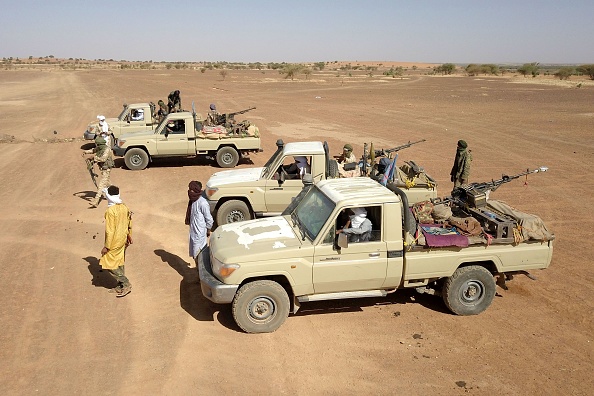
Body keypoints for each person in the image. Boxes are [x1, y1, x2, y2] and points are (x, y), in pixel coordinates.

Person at [100, 185, 133, 297]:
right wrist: (129, 237)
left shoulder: (110, 211)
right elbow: (130, 223)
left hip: (114, 241)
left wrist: (106, 246)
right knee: (119, 261)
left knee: (108, 263)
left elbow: (110, 231)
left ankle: (125, 283)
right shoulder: (124, 207)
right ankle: (120, 286)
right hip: (123, 239)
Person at [186, 181, 213, 268]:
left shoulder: (202, 203)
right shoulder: (193, 201)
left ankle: (200, 275)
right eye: (190, 190)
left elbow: (209, 219)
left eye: (193, 190)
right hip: (193, 232)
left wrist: (208, 230)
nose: (190, 192)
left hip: (200, 234)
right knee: (195, 254)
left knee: (199, 255)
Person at [82, 135, 115, 208]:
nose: (96, 146)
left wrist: (94, 157)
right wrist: (86, 152)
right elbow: (94, 150)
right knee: (108, 183)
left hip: (107, 169)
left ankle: (96, 201)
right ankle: (115, 192)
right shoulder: (100, 148)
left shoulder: (106, 150)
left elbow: (103, 159)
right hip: (103, 169)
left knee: (101, 185)